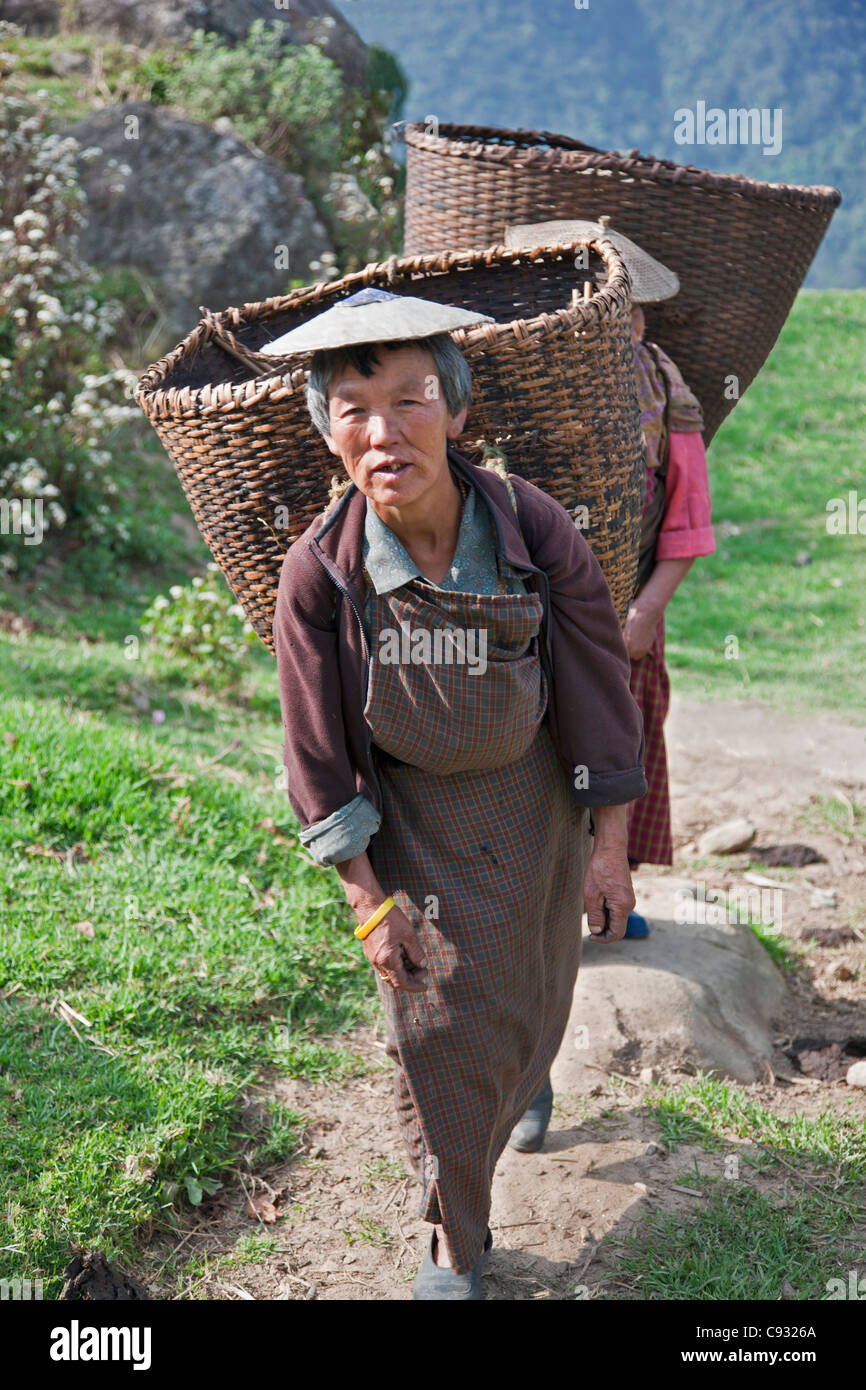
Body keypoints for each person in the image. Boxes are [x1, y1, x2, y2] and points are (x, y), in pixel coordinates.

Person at [269, 286, 647, 1299]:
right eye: (353, 408)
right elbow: (315, 753)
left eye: (412, 396)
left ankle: (528, 1075)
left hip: (533, 802)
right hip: (410, 825)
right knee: (434, 1029)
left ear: (459, 411)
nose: (384, 429)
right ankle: (455, 1242)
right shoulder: (319, 575)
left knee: (533, 978)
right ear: (329, 436)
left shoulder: (530, 527)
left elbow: (599, 693)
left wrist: (608, 845)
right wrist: (364, 899)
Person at [502, 217, 715, 1154]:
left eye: (610, 307)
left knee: (613, 764)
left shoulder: (666, 396)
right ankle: (530, 1059)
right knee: (530, 810)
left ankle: (607, 897)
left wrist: (647, 610)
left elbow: (687, 525)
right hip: (508, 642)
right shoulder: (501, 383)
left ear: (631, 319)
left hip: (617, 624)